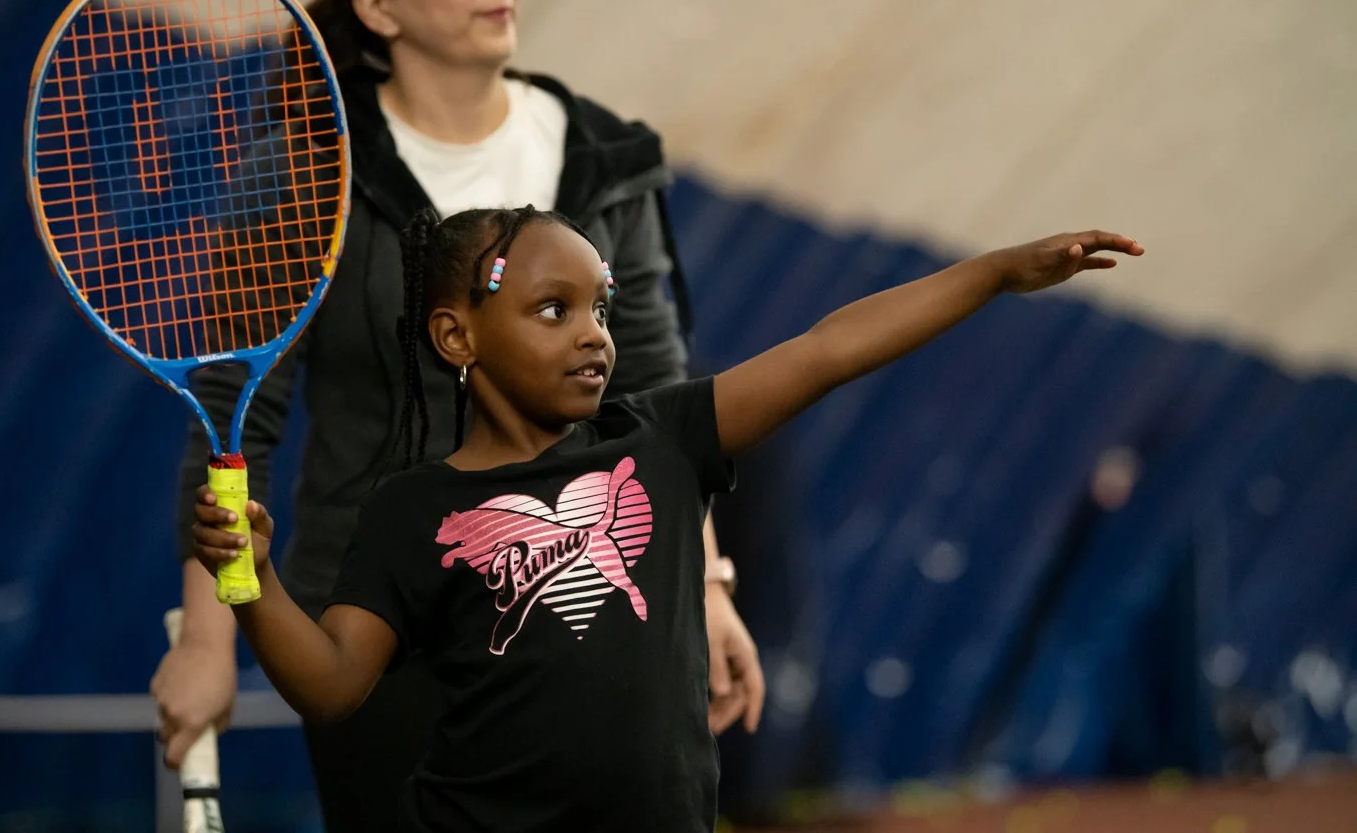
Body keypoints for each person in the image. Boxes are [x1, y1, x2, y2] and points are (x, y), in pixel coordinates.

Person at [190, 206, 1143, 831]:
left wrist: (992, 275)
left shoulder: (662, 437)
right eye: (552, 310)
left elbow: (828, 350)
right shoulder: (414, 508)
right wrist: (252, 579)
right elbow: (331, 684)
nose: (594, 335)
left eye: (599, 308)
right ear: (457, 336)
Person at [150, 0, 763, 831]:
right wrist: (209, 636)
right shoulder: (311, 165)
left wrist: (710, 586)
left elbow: (658, 399)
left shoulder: (606, 159)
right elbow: (232, 416)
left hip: (587, 621)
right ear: (376, 4)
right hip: (379, 630)